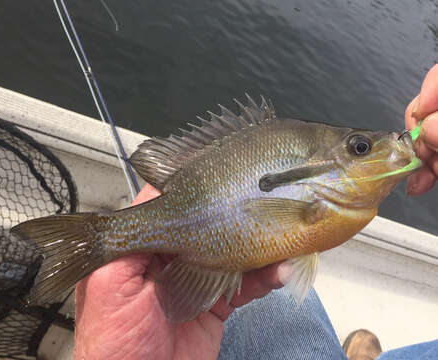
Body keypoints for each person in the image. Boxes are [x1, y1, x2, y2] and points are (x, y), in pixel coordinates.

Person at [73, 64, 438, 360]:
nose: (377, 149)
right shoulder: (323, 208)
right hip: (205, 244)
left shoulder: (340, 204)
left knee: (277, 303)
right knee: (281, 297)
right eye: (360, 148)